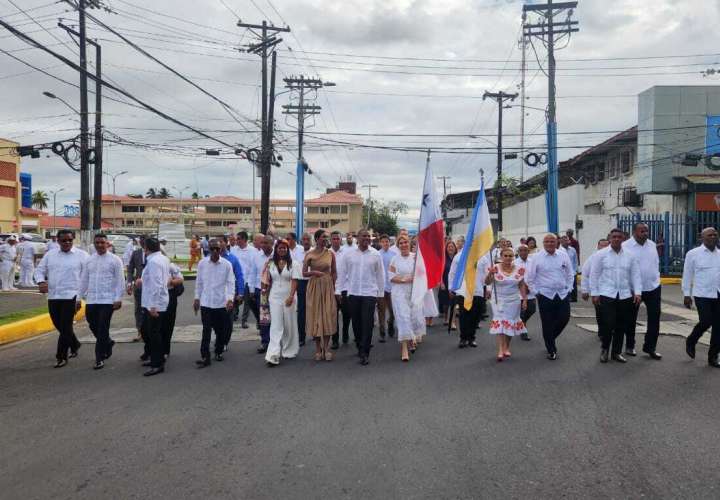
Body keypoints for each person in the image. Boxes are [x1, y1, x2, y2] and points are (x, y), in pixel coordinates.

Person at [34, 230, 89, 367]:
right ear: (58, 241)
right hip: (53, 295)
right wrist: (41, 282)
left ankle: (61, 356)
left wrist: (81, 297)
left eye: (70, 240)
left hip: (72, 295)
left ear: (73, 240)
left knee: (65, 326)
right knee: (58, 324)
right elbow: (39, 270)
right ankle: (75, 344)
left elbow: (87, 276)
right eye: (64, 240)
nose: (67, 243)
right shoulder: (50, 255)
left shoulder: (82, 256)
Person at [591, 228, 642, 364]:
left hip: (625, 295)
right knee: (608, 324)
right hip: (607, 294)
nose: (616, 239)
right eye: (614, 237)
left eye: (619, 237)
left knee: (621, 325)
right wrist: (594, 293)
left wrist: (637, 292)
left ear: (623, 239)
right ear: (609, 238)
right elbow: (594, 274)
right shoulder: (601, 255)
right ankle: (605, 349)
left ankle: (616, 352)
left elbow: (635, 275)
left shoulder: (630, 255)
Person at [337, 229, 385, 365]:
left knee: (367, 323)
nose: (366, 238)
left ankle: (365, 352)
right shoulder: (348, 255)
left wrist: (380, 294)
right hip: (353, 293)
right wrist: (338, 291)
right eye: (363, 236)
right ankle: (359, 344)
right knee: (356, 323)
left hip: (369, 293)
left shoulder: (376, 255)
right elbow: (342, 274)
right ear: (357, 238)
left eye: (368, 236)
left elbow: (380, 276)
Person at [79, 233, 124, 370]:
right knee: (93, 325)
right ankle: (108, 343)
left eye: (102, 243)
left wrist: (118, 298)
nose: (99, 245)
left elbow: (120, 280)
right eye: (97, 243)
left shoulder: (115, 260)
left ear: (107, 244)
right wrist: (78, 297)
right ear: (94, 244)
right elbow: (84, 280)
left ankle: (99, 357)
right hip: (92, 299)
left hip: (107, 300)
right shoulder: (89, 260)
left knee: (103, 327)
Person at [526, 234, 574, 360]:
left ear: (556, 242)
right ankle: (551, 349)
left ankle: (549, 338)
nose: (549, 243)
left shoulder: (563, 255)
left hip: (562, 294)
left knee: (564, 318)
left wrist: (569, 288)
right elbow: (529, 278)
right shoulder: (536, 257)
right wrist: (536, 292)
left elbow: (570, 273)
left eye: (552, 241)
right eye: (546, 241)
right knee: (547, 323)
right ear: (543, 243)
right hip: (545, 295)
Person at [622, 223, 663, 360]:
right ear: (634, 232)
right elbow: (624, 269)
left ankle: (650, 347)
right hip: (633, 290)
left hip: (653, 287)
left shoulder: (651, 245)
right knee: (630, 319)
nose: (645, 233)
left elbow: (655, 263)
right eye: (642, 231)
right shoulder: (625, 246)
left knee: (655, 318)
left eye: (646, 231)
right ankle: (630, 345)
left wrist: (656, 278)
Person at [682, 227, 720, 368]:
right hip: (702, 294)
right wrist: (687, 294)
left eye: (715, 235)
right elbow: (687, 275)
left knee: (718, 327)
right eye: (710, 235)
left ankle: (713, 356)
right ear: (702, 238)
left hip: (718, 293)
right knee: (706, 321)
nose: (713, 237)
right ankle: (691, 340)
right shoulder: (693, 254)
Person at [194, 238, 235, 368]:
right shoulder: (202, 264)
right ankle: (205, 356)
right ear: (209, 250)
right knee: (206, 330)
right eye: (213, 249)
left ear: (221, 249)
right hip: (206, 302)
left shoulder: (227, 264)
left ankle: (218, 351)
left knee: (220, 330)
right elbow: (199, 283)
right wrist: (196, 298)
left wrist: (230, 299)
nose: (215, 251)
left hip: (220, 303)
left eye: (218, 249)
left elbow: (230, 283)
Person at [485, 247, 528, 361]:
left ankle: (506, 347)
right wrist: (490, 274)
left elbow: (522, 285)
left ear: (513, 257)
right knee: (500, 322)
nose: (508, 258)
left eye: (510, 256)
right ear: (501, 256)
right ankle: (500, 349)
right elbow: (487, 282)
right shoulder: (495, 268)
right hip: (498, 300)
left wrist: (524, 299)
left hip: (514, 300)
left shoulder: (519, 269)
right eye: (506, 256)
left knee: (510, 323)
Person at [262, 239, 301, 366]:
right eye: (280, 248)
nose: (282, 250)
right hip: (274, 297)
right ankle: (273, 355)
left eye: (284, 248)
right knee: (276, 326)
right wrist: (264, 297)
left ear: (287, 249)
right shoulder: (270, 263)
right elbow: (266, 281)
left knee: (289, 324)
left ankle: (289, 350)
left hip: (289, 296)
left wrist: (291, 296)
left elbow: (295, 281)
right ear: (276, 249)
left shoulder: (293, 264)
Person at [388, 235, 425, 362]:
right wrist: (404, 279)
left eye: (405, 242)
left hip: (414, 292)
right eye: (401, 243)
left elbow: (422, 274)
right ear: (398, 246)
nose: (403, 245)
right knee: (403, 318)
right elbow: (391, 277)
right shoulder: (394, 260)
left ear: (409, 244)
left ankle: (412, 338)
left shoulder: (416, 258)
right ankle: (404, 349)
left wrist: (417, 276)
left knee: (414, 318)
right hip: (399, 293)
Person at [304, 230, 338, 361]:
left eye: (326, 237)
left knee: (328, 315)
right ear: (317, 238)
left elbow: (334, 272)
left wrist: (334, 287)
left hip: (328, 287)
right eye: (323, 237)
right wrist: (315, 272)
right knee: (316, 316)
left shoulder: (330, 254)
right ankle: (318, 349)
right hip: (314, 287)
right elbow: (303, 273)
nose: (325, 239)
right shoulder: (309, 254)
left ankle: (326, 348)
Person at [139, 237, 171, 376]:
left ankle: (157, 364)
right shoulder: (162, 259)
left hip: (155, 303)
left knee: (154, 334)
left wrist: (153, 306)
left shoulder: (154, 262)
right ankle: (155, 359)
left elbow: (156, 284)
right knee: (149, 331)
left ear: (146, 248)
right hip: (155, 301)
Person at [447, 245, 487, 349]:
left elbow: (487, 274)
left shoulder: (482, 257)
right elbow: (452, 273)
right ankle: (463, 338)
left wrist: (489, 289)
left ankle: (472, 337)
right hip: (463, 290)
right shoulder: (459, 257)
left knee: (475, 316)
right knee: (464, 315)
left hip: (477, 290)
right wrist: (451, 288)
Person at [580, 238, 610, 339]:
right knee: (600, 313)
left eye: (606, 245)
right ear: (598, 246)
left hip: (610, 290)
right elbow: (585, 273)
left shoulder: (613, 256)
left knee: (611, 313)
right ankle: (602, 332)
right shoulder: (593, 258)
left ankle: (609, 330)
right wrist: (585, 290)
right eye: (602, 245)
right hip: (597, 290)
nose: (604, 247)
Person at [219, 235, 244, 351]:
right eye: (217, 242)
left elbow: (239, 276)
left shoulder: (233, 259)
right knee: (215, 321)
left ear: (225, 243)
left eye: (221, 242)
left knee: (228, 321)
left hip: (229, 294)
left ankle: (224, 342)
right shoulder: (209, 258)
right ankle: (219, 340)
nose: (218, 244)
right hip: (214, 295)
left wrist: (240, 292)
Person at [250, 235, 274, 353]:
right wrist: (251, 290)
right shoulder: (257, 256)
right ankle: (265, 342)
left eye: (266, 243)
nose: (263, 245)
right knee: (264, 318)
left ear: (272, 244)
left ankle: (276, 341)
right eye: (262, 243)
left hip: (275, 291)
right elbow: (253, 273)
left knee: (276, 317)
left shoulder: (278, 255)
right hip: (262, 291)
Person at [330, 231, 351, 347]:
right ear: (330, 240)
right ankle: (335, 339)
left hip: (345, 287)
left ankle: (346, 333)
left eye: (338, 238)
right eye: (333, 239)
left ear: (341, 239)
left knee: (347, 314)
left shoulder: (347, 252)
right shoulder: (327, 253)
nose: (336, 241)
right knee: (334, 315)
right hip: (332, 287)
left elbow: (350, 269)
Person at [231, 231, 257, 328]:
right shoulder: (233, 250)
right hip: (235, 279)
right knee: (234, 300)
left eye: (238, 239)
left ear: (244, 240)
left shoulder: (253, 251)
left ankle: (244, 321)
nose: (236, 241)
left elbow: (253, 267)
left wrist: (251, 281)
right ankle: (231, 319)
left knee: (247, 302)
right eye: (236, 239)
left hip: (247, 280)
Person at [291, 232, 311, 347]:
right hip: (302, 282)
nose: (306, 241)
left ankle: (315, 333)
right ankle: (301, 337)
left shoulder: (315, 251)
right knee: (301, 310)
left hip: (313, 282)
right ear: (301, 241)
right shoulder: (297, 253)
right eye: (304, 239)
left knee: (314, 308)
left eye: (308, 239)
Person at [126, 236, 147, 345]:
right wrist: (129, 282)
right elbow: (130, 269)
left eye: (145, 242)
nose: (143, 244)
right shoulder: (136, 253)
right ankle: (140, 331)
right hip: (138, 286)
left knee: (150, 308)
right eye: (141, 242)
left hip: (152, 286)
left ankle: (150, 331)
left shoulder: (156, 254)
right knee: (138, 308)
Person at [514, 244, 535, 341]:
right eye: (521, 250)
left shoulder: (533, 262)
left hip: (531, 291)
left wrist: (530, 287)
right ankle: (523, 331)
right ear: (518, 252)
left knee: (532, 310)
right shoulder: (514, 263)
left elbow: (536, 275)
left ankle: (520, 323)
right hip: (519, 292)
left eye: (525, 250)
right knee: (523, 312)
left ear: (528, 252)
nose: (523, 252)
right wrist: (522, 286)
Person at [377, 234, 396, 342]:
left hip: (392, 286)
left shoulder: (394, 255)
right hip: (381, 287)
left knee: (393, 310)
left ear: (390, 242)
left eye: (387, 241)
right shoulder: (377, 254)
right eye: (383, 242)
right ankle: (382, 332)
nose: (385, 243)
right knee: (381, 311)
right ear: (380, 243)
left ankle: (391, 322)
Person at [439, 240, 458, 330]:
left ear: (455, 248)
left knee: (453, 303)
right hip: (445, 283)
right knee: (446, 304)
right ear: (446, 248)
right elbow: (439, 273)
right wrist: (441, 283)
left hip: (455, 284)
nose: (451, 248)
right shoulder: (443, 259)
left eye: (452, 247)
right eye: (449, 247)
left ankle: (453, 321)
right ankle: (446, 317)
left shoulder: (458, 258)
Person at [560, 235, 579, 302]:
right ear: (561, 241)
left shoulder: (573, 249)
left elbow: (575, 260)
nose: (567, 242)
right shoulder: (560, 250)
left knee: (573, 284)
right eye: (565, 240)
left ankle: (574, 298)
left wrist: (575, 270)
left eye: (567, 240)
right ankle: (567, 296)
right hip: (564, 271)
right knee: (565, 284)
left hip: (573, 270)